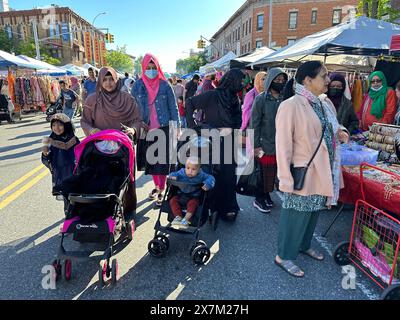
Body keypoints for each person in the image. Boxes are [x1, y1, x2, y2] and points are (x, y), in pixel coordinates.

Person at [275, 61, 349, 278]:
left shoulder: (323, 103)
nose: (328, 80)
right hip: (302, 171)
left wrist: (341, 132)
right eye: (324, 76)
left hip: (322, 170)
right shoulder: (291, 105)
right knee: (295, 215)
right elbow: (283, 145)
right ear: (307, 80)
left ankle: (303, 244)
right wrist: (285, 179)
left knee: (312, 211)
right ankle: (284, 255)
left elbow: (333, 125)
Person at [81, 67, 143, 218]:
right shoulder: (92, 99)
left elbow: (137, 120)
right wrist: (90, 129)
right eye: (105, 79)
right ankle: (100, 208)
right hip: (98, 146)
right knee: (99, 176)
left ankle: (128, 211)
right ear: (100, 81)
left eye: (111, 79)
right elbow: (84, 121)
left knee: (124, 179)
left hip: (122, 146)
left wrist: (133, 130)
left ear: (117, 80)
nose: (108, 83)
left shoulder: (127, 98)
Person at [186, 68, 245, 221]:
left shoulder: (235, 99)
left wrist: (230, 129)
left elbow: (239, 121)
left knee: (228, 176)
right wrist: (194, 128)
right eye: (241, 81)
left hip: (229, 141)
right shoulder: (212, 95)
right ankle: (208, 206)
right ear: (232, 81)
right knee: (211, 173)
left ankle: (227, 207)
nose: (243, 84)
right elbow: (190, 103)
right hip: (210, 140)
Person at [131, 53, 179, 207]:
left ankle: (161, 189)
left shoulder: (165, 85)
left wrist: (176, 127)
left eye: (153, 68)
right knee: (152, 163)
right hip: (146, 130)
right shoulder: (137, 85)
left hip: (164, 128)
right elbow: (132, 108)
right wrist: (135, 125)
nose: (151, 70)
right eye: (148, 68)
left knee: (163, 163)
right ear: (143, 68)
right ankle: (158, 187)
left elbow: (173, 107)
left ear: (158, 68)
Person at [251, 68, 288, 213]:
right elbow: (254, 124)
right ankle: (259, 199)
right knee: (262, 173)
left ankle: (266, 196)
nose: (280, 83)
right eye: (277, 80)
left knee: (272, 174)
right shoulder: (261, 99)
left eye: (282, 81)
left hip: (280, 144)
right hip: (264, 144)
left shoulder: (285, 98)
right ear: (270, 81)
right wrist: (255, 146)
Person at [42, 113, 80, 214]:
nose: (56, 128)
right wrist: (45, 154)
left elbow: (81, 154)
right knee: (67, 199)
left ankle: (77, 215)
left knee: (77, 196)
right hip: (61, 175)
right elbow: (45, 160)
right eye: (53, 125)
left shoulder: (74, 140)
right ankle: (68, 217)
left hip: (74, 173)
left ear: (66, 125)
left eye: (60, 125)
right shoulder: (49, 141)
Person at [168, 157, 215, 226]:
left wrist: (208, 183)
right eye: (188, 168)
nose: (190, 171)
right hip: (181, 195)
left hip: (193, 196)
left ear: (198, 170)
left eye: (193, 169)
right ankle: (178, 217)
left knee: (193, 204)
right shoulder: (182, 172)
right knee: (172, 200)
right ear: (185, 167)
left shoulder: (201, 175)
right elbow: (173, 174)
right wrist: (173, 176)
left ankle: (186, 219)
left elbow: (211, 178)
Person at [240, 71, 267, 155]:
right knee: (252, 151)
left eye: (266, 79)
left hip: (264, 127)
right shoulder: (251, 94)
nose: (265, 81)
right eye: (263, 79)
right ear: (257, 80)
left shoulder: (268, 93)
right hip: (252, 126)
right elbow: (246, 111)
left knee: (262, 152)